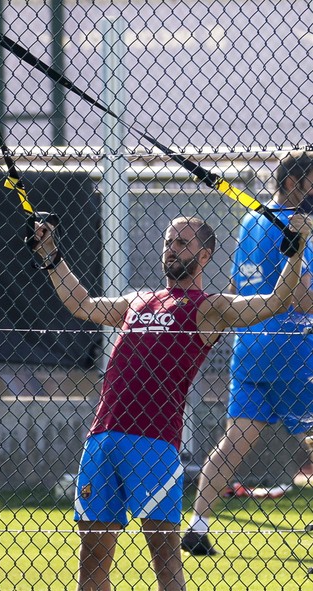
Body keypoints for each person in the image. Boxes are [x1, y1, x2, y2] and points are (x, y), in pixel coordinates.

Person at [31, 212, 311, 591]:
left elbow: (276, 302)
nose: (171, 250)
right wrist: (50, 253)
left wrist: (294, 254)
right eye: (168, 242)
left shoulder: (209, 307)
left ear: (205, 255)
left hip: (153, 445)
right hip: (102, 440)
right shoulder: (138, 300)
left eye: (183, 243)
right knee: (92, 566)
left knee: (166, 567)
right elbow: (82, 304)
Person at [182, 151, 313, 556]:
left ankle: (198, 525)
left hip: (252, 350)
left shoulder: (252, 220)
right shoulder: (296, 226)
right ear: (293, 183)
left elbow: (238, 286)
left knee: (233, 442)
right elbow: (303, 298)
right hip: (296, 351)